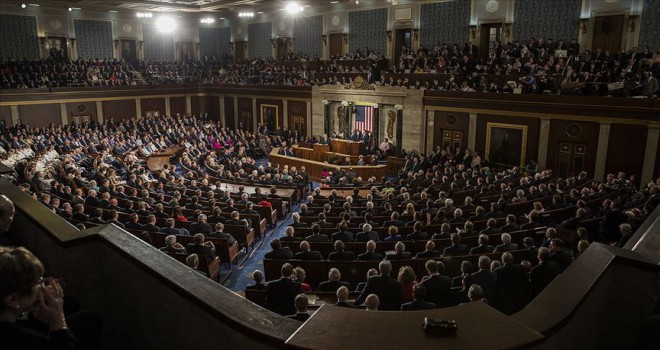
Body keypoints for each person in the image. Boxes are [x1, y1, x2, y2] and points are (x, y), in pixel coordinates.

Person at [0, 246, 78, 349]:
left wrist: (39, 320)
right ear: (12, 299)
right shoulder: (28, 341)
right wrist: (58, 320)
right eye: (37, 282)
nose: (42, 287)